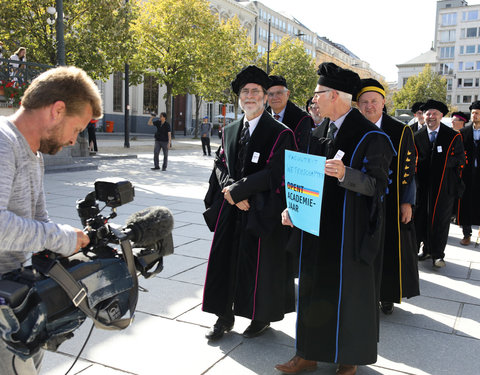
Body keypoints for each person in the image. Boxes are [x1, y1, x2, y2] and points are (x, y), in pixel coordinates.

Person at [275, 62, 394, 375]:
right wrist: (293, 207)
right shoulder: (321, 130)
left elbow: (378, 186)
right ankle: (308, 353)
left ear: (336, 96)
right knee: (313, 290)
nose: (313, 100)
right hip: (317, 229)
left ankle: (348, 358)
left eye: (318, 94)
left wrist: (347, 175)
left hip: (349, 233)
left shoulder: (371, 136)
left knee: (347, 295)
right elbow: (307, 180)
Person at [0, 66, 101, 375]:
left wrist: (75, 244)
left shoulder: (34, 153)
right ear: (58, 110)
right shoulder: (4, 143)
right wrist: (60, 238)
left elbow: (40, 221)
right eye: (78, 127)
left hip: (15, 292)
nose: (74, 140)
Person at [202, 65, 296, 341]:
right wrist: (230, 191)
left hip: (262, 210)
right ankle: (223, 316)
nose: (250, 96)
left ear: (266, 97)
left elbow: (276, 172)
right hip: (231, 209)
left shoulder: (281, 132)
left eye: (256, 91)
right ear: (239, 98)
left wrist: (241, 191)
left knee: (259, 264)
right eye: (245, 92)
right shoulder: (229, 130)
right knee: (225, 261)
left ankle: (260, 316)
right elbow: (219, 164)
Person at [356, 79, 419, 315]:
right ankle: (362, 292)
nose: (369, 106)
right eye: (364, 102)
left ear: (384, 102)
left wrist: (406, 202)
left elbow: (409, 169)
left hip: (392, 199)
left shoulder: (400, 130)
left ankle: (386, 295)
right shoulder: (354, 128)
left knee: (390, 246)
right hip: (360, 198)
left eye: (374, 101)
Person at [415, 99, 465, 267]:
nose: (431, 117)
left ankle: (438, 255)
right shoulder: (417, 136)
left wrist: (441, 161)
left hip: (444, 187)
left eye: (435, 113)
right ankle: (425, 250)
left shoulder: (452, 136)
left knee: (440, 221)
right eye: (428, 113)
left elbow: (460, 159)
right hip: (422, 187)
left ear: (441, 116)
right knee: (421, 218)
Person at [267, 75, 313, 152]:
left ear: (287, 94)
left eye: (279, 93)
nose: (275, 97)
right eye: (270, 94)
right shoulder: (262, 117)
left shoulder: (302, 119)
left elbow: (301, 151)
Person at [456, 101, 480, 246]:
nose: (474, 115)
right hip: (467, 175)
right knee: (466, 203)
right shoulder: (463, 133)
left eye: (477, 113)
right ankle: (466, 233)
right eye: (472, 113)